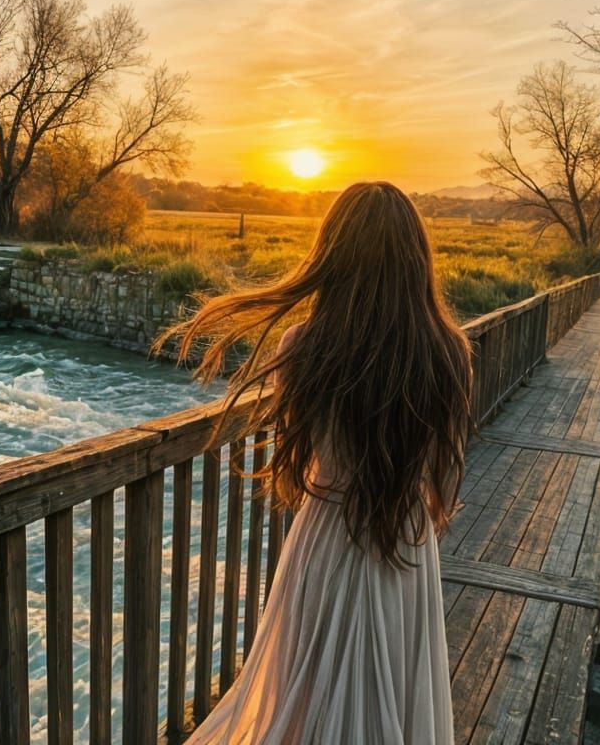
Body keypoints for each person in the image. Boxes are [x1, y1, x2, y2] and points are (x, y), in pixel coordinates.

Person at [154, 181, 473, 744]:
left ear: (333, 255)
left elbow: (299, 463)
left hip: (324, 539)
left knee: (303, 694)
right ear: (416, 259)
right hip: (405, 542)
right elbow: (443, 487)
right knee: (392, 697)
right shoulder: (449, 352)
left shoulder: (302, 344)